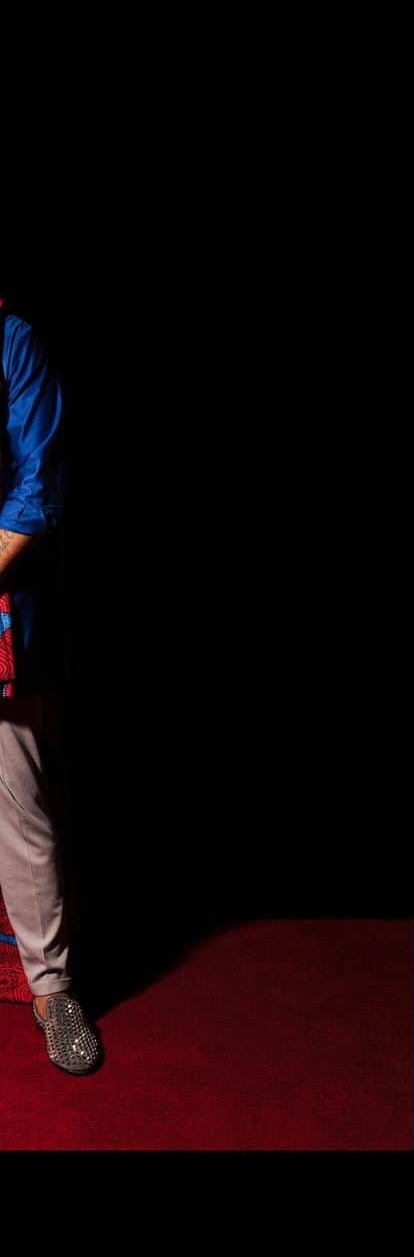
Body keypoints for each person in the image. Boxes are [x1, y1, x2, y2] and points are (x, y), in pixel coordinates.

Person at [0, 302, 102, 1074]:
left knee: (19, 803)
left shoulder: (14, 341)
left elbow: (40, 486)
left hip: (1, 601)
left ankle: (52, 987)